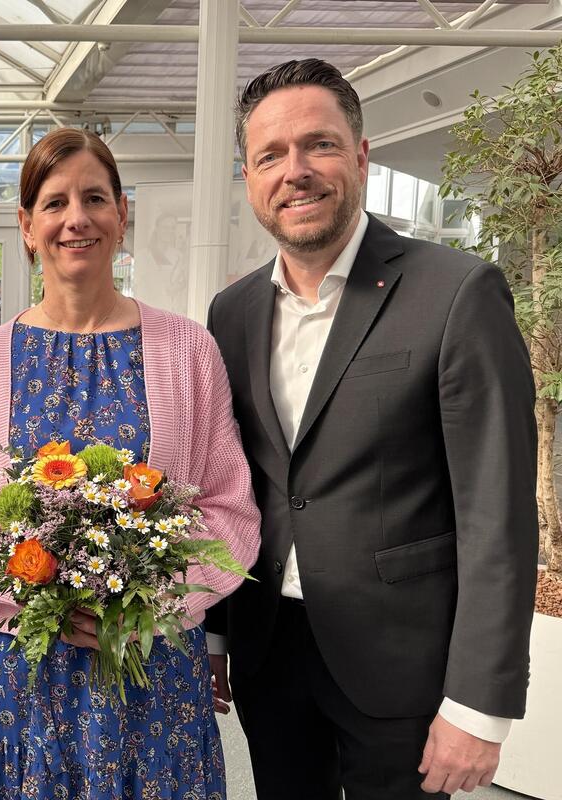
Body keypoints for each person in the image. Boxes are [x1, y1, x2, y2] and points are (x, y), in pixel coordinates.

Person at [205, 58, 538, 798]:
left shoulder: (457, 292)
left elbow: (499, 512)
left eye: (318, 145)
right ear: (248, 178)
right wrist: (220, 630)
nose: (296, 171)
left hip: (403, 666)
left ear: (360, 156)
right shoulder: (232, 313)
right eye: (270, 155)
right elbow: (236, 483)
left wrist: (479, 705)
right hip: (271, 654)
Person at [0, 127, 261, 799]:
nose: (76, 218)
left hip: (151, 666)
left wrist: (143, 600)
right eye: (55, 202)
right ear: (27, 226)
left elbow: (229, 507)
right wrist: (37, 589)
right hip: (20, 671)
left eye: (95, 198)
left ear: (122, 215)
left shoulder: (188, 350)